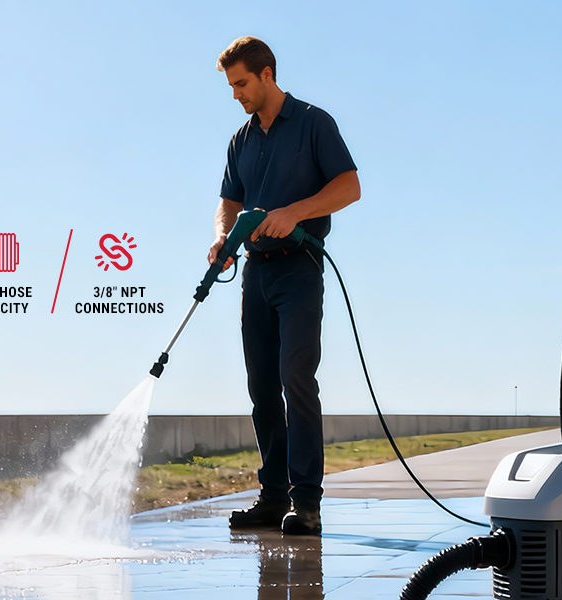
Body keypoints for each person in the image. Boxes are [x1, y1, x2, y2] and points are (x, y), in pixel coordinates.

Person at [208, 36, 361, 536]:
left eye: (242, 84)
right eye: (231, 86)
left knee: (297, 378)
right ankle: (272, 498)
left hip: (300, 267)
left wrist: (294, 212)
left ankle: (307, 503)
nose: (236, 94)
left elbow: (349, 186)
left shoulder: (314, 123)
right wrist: (221, 239)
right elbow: (228, 202)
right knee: (261, 385)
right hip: (256, 272)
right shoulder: (241, 140)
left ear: (267, 74)